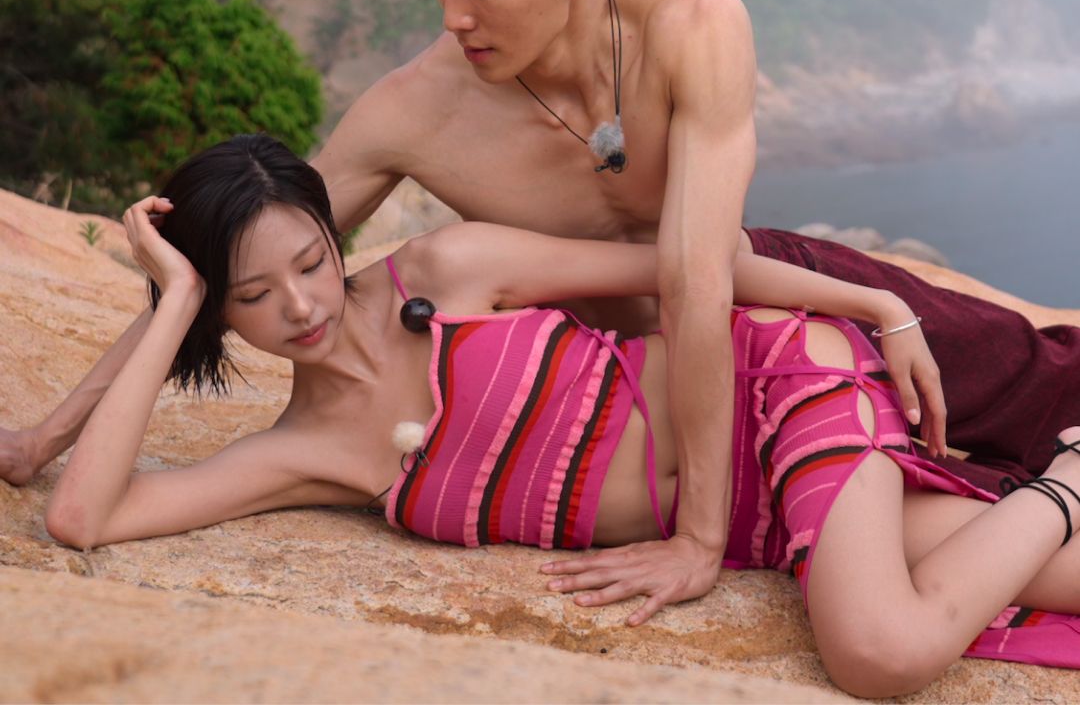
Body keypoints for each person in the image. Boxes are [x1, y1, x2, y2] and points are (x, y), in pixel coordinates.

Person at [4, 0, 1078, 604]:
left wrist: (707, 535)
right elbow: (244, 257)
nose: (454, 14)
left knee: (1040, 383)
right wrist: (46, 435)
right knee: (966, 511)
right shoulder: (413, 113)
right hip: (627, 400)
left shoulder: (688, 25)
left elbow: (699, 274)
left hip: (775, 315)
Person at [36, 136, 1080, 697]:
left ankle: (1065, 475)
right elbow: (84, 519)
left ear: (329, 228)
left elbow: (686, 272)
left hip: (777, 388)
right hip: (767, 518)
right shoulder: (304, 453)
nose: (301, 306)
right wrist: (170, 296)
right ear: (220, 306)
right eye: (252, 296)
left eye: (310, 261)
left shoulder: (451, 267)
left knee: (880, 651)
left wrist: (878, 304)